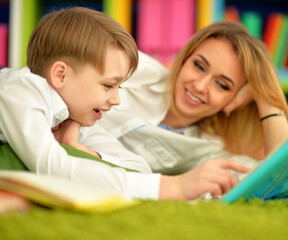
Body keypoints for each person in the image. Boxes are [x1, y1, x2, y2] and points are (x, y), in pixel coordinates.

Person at [0, 7, 249, 201]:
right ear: (61, 76)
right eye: (109, 86)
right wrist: (174, 186)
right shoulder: (21, 92)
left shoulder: (75, 118)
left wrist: (78, 147)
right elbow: (54, 168)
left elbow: (138, 170)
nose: (117, 99)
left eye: (119, 87)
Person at [98, 21, 288, 176]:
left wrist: (263, 96)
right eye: (199, 66)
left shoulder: (208, 150)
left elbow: (279, 174)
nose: (200, 86)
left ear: (235, 99)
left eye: (222, 85)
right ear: (184, 60)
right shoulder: (133, 67)